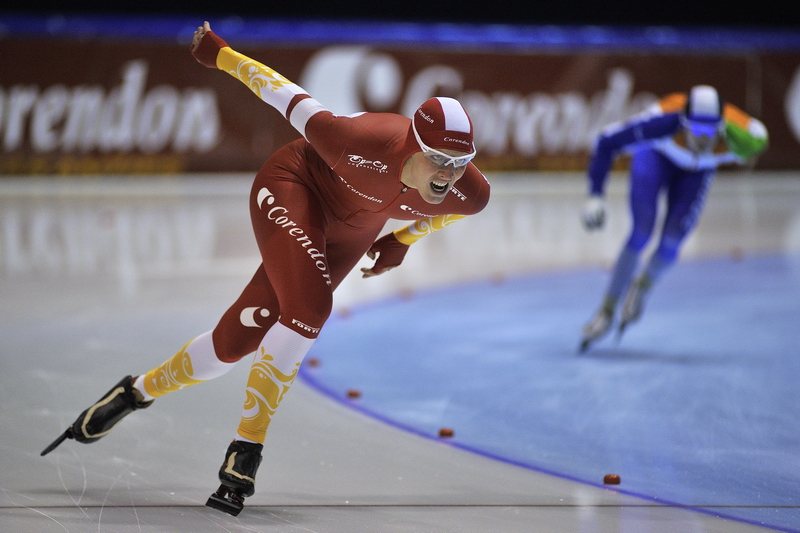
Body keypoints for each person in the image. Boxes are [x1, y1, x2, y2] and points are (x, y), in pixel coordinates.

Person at [41, 21, 490, 516]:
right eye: (438, 160)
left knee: (230, 346)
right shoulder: (355, 141)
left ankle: (135, 391)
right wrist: (222, 55)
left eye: (460, 160)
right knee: (311, 307)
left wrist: (402, 238)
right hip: (293, 186)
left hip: (352, 233)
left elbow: (449, 209)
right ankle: (245, 451)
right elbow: (285, 95)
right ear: (412, 147)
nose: (449, 174)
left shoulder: (471, 191)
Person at [579, 84, 768, 352]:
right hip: (656, 157)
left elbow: (761, 138)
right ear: (683, 123)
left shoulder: (743, 139)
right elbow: (607, 140)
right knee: (641, 232)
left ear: (722, 127)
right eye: (698, 130)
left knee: (673, 240)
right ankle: (607, 310)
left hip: (698, 172)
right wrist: (595, 195)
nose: (704, 139)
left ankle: (643, 286)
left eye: (711, 131)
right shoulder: (661, 123)